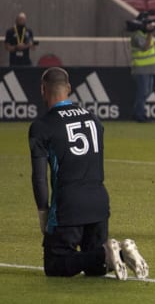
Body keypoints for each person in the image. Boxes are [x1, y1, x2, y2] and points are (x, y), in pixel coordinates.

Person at [28, 67, 148, 280]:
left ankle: (107, 252)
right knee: (95, 268)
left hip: (68, 206)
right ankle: (119, 252)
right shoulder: (94, 119)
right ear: (69, 89)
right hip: (99, 205)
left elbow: (39, 177)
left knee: (55, 264)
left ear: (42, 90)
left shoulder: (42, 126)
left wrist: (42, 213)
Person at [129, 13, 155, 123]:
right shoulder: (136, 35)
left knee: (147, 92)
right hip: (141, 68)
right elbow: (145, 47)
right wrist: (150, 33)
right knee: (142, 92)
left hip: (150, 68)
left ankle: (137, 112)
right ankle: (139, 115)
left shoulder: (148, 35)